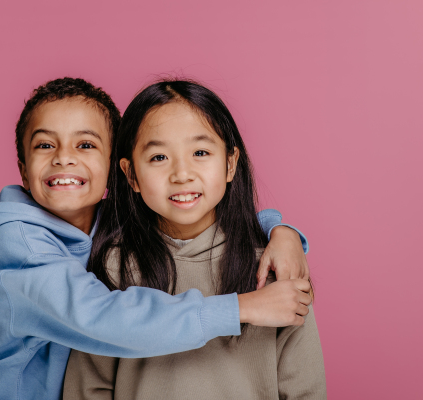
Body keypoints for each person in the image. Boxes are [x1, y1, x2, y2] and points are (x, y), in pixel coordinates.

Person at [0, 77, 312, 400]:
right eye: (45, 146)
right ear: (24, 172)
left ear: (114, 170)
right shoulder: (20, 247)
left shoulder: (108, 226)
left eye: (85, 145)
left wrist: (280, 232)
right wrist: (243, 308)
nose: (64, 159)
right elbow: (108, 320)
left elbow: (185, 211)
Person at [64, 79, 325, 399]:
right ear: (131, 175)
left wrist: (282, 234)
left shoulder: (274, 265)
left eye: (200, 152)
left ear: (230, 164)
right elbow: (88, 386)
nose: (182, 173)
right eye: (159, 157)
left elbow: (304, 388)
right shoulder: (113, 266)